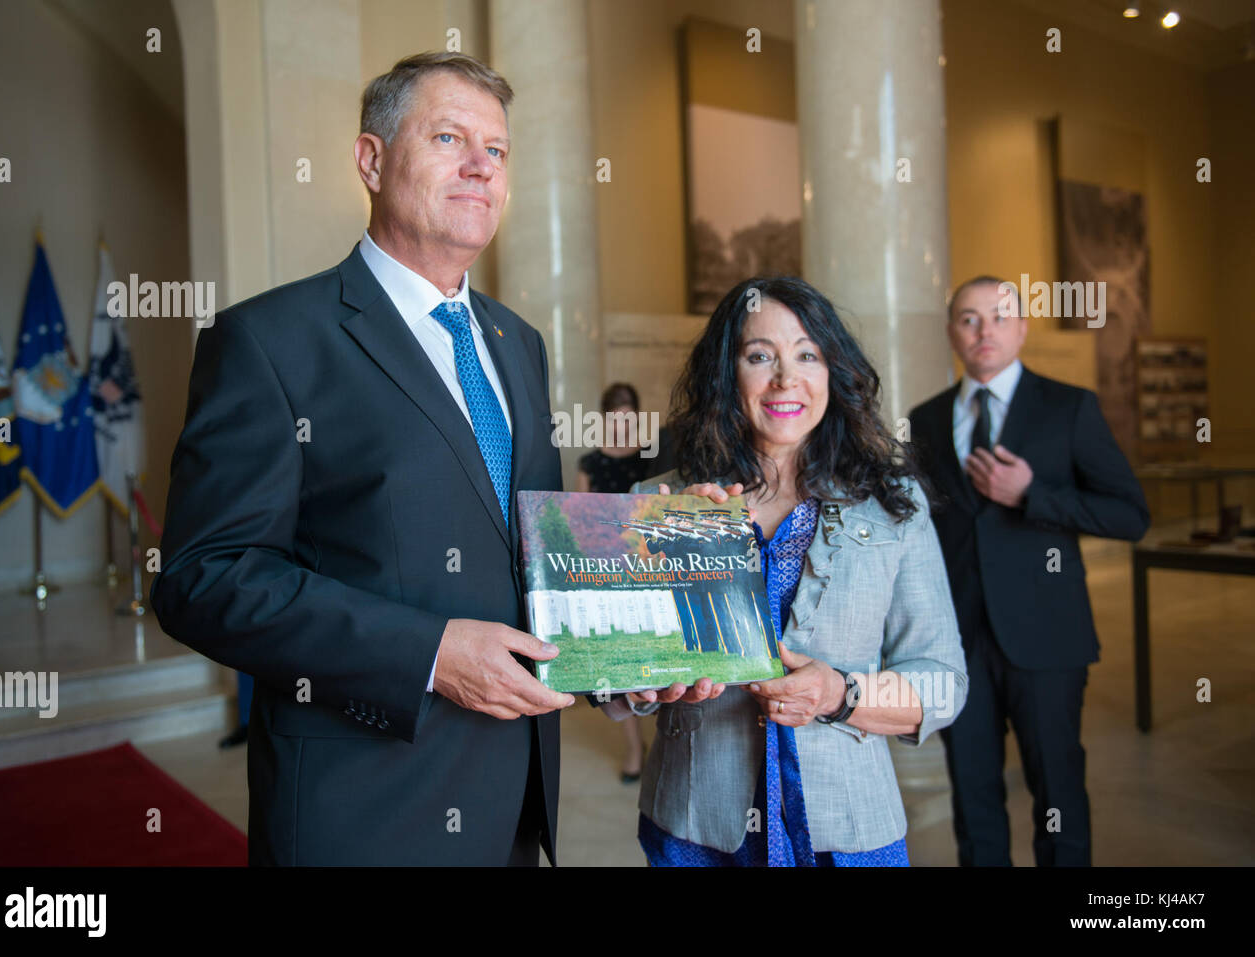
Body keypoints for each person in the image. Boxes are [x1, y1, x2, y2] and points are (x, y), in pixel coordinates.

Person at [149, 52, 576, 866]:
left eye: (498, 149)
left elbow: (532, 553)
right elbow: (201, 577)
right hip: (365, 810)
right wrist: (428, 654)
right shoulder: (270, 343)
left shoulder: (519, 343)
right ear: (371, 160)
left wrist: (633, 658)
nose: (481, 165)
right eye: (449, 137)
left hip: (516, 805)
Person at [607, 276, 968, 866]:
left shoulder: (891, 503)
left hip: (846, 830)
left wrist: (842, 694)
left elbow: (943, 682)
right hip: (698, 829)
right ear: (728, 374)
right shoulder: (662, 501)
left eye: (807, 355)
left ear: (833, 372)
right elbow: (616, 679)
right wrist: (645, 682)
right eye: (759, 356)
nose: (785, 379)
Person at [908, 276, 1150, 866]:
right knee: (973, 796)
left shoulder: (1069, 407)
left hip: (1047, 639)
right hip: (956, 644)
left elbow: (1131, 515)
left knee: (1057, 796)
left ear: (1021, 328)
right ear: (951, 334)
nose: (983, 330)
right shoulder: (926, 420)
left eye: (998, 316)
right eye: (969, 318)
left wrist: (1034, 494)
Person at [575, 382, 650, 783]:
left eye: (629, 418)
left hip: (652, 565)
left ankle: (663, 740)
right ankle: (635, 749)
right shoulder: (591, 463)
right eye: (615, 418)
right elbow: (581, 522)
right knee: (624, 661)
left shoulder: (651, 458)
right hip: (609, 568)